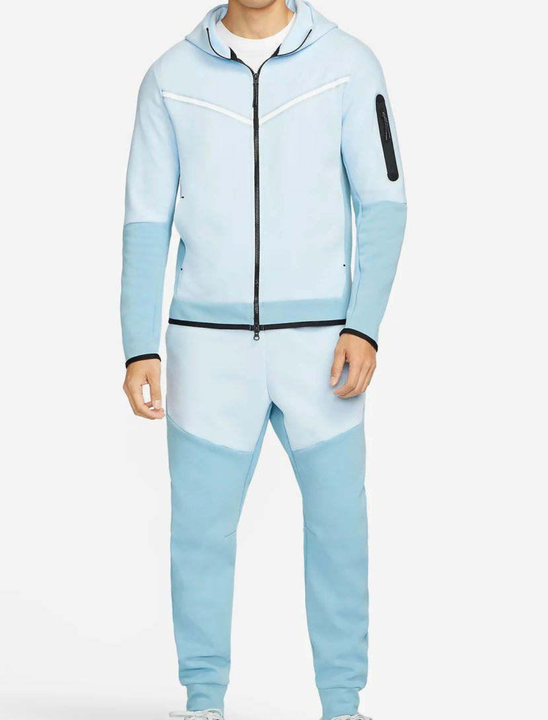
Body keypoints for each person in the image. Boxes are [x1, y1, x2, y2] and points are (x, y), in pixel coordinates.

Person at [121, 1, 406, 718]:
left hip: (322, 346)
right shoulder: (170, 77)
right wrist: (138, 343)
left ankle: (342, 705)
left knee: (339, 531)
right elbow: (146, 217)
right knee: (198, 535)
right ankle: (203, 702)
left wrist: (364, 326)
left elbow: (384, 202)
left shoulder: (348, 64)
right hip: (206, 346)